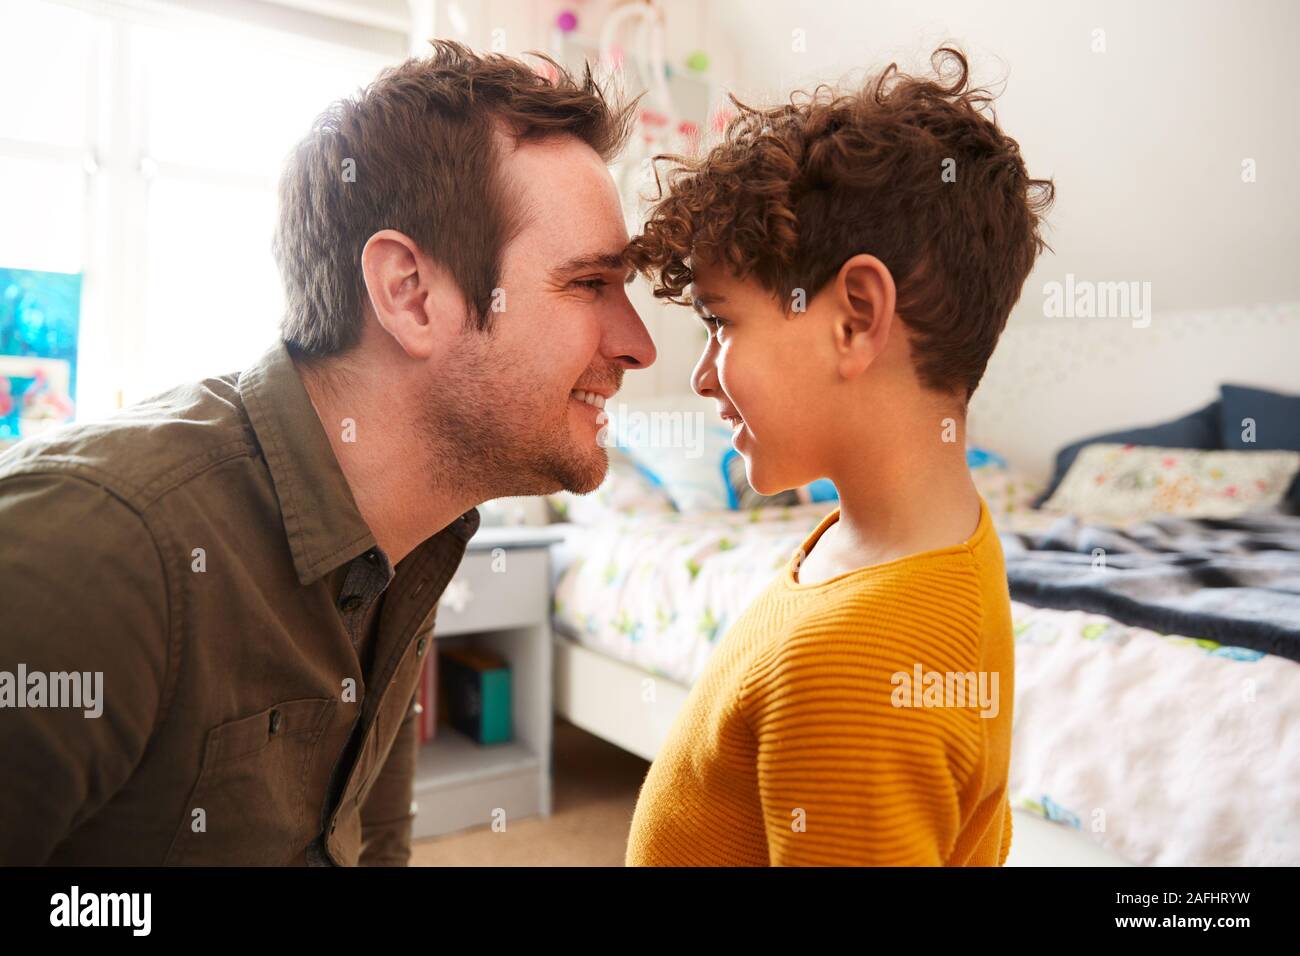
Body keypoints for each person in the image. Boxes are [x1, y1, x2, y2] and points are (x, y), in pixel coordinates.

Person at [0, 40, 654, 865]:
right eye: (590, 284)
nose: (638, 346)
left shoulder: (415, 536)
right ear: (410, 294)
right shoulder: (96, 551)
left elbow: (370, 842)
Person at [622, 47, 1054, 865]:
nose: (700, 376)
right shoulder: (924, 545)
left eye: (720, 322)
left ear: (856, 316)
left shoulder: (858, 669)